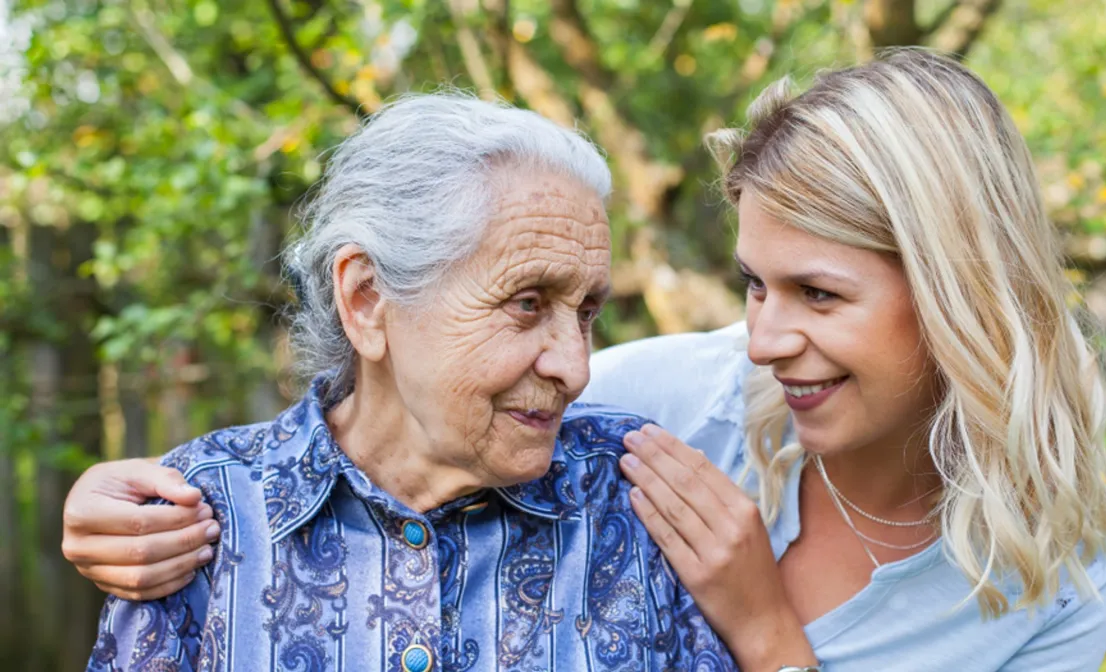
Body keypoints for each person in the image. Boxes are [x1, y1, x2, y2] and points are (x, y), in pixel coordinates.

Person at [66, 50, 1106, 671]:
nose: (575, 366)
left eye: (817, 294)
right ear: (362, 297)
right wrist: (115, 497)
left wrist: (763, 630)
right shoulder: (672, 403)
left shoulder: (1065, 570)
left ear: (955, 289)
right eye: (756, 286)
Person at [79, 92, 740, 672]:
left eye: (588, 313)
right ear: (366, 298)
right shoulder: (204, 520)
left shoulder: (638, 498)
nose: (574, 366)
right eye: (527, 303)